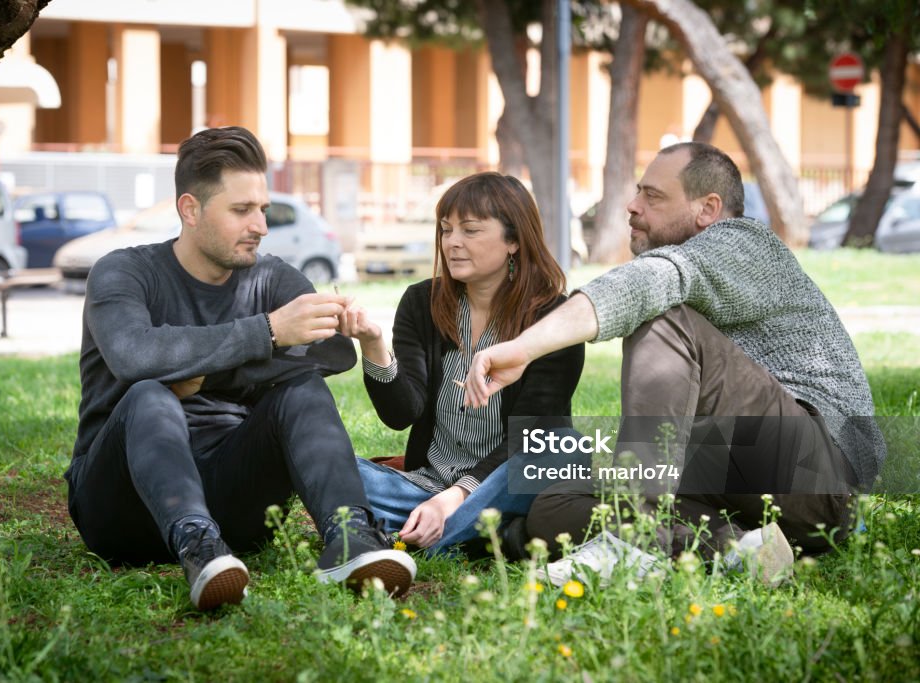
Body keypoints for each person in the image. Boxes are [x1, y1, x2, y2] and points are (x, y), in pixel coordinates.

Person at [464, 142, 885, 582]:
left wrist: (523, 347)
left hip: (819, 478)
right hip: (731, 485)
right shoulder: (697, 269)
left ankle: (628, 540)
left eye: (653, 196)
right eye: (637, 193)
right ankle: (739, 547)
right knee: (557, 503)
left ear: (708, 208)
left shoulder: (747, 243)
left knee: (662, 314)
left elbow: (645, 283)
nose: (632, 206)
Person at [65, 126, 415, 610]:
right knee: (149, 393)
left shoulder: (270, 276)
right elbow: (135, 356)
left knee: (303, 389)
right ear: (190, 209)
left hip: (233, 499)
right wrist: (266, 333)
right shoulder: (124, 272)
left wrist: (208, 373)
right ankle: (196, 544)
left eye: (263, 210)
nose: (261, 226)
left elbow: (333, 352)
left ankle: (351, 537)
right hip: (121, 507)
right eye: (241, 210)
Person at [339, 172, 585, 556]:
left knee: (565, 447)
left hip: (503, 483)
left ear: (514, 241)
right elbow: (402, 413)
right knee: (328, 465)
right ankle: (473, 535)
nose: (452, 242)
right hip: (425, 486)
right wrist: (373, 345)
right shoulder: (422, 303)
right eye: (446, 229)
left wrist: (455, 498)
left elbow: (532, 434)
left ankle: (418, 537)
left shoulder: (553, 320)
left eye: (470, 230)